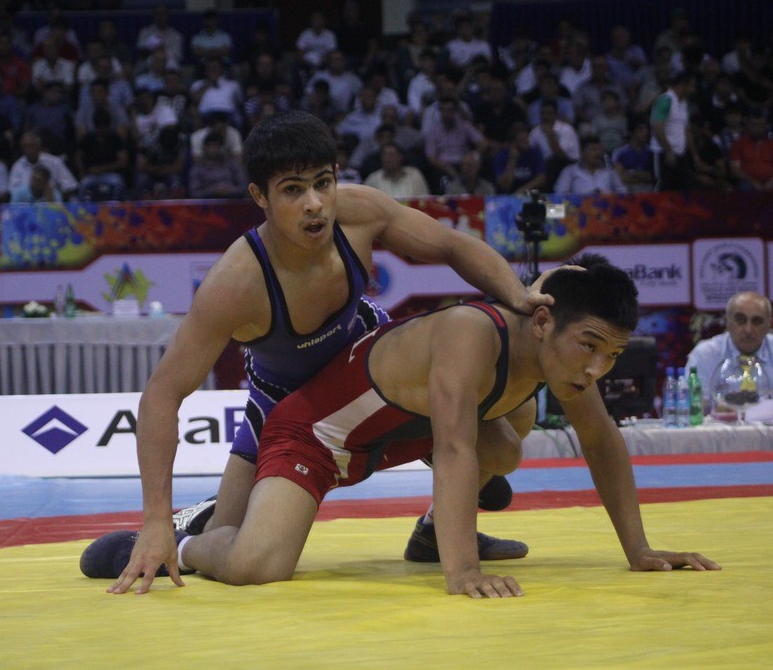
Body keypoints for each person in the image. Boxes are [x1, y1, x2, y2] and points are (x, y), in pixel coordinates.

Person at [80, 110, 552, 581]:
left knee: (513, 415)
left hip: (373, 373)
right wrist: (154, 519)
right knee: (239, 549)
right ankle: (188, 533)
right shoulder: (236, 282)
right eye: (292, 190)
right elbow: (162, 394)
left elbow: (451, 244)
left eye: (323, 183)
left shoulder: (358, 211)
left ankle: (434, 530)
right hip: (288, 406)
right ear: (260, 197)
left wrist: (518, 295)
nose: (314, 205)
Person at [105, 255, 720, 597]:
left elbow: (601, 439)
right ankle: (184, 542)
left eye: (612, 355)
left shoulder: (565, 361)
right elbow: (452, 450)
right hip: (316, 437)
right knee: (255, 565)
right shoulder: (471, 334)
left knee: (508, 439)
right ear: (542, 322)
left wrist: (639, 550)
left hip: (396, 435)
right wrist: (464, 572)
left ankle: (430, 535)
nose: (596, 368)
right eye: (590, 346)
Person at [686, 291, 773, 421]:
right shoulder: (704, 354)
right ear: (727, 322)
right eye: (740, 320)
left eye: (757, 321)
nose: (748, 329)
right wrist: (711, 408)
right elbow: (689, 406)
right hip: (720, 431)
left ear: (769, 324)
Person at [650, 72, 695, 191]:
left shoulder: (684, 103)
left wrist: (694, 154)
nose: (693, 90)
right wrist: (668, 150)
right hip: (663, 153)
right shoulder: (665, 100)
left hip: (680, 153)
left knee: (683, 188)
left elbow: (686, 129)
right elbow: (658, 128)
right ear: (682, 85)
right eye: (691, 86)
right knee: (664, 187)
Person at [8, 131, 78, 199]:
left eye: (31, 145)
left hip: (52, 202)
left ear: (39, 146)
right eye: (25, 147)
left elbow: (70, 186)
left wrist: (56, 197)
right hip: (26, 204)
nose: (28, 149)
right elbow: (13, 192)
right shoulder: (17, 166)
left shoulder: (54, 162)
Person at [553, 136, 627, 195]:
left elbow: (623, 193)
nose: (598, 153)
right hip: (578, 208)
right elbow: (559, 194)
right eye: (593, 149)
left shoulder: (610, 172)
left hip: (606, 207)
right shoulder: (570, 171)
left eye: (600, 149)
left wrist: (607, 195)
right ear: (582, 152)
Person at [363, 142, 430, 199]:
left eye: (392, 154)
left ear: (400, 157)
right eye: (385, 155)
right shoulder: (373, 178)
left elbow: (424, 201)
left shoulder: (414, 174)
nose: (388, 158)